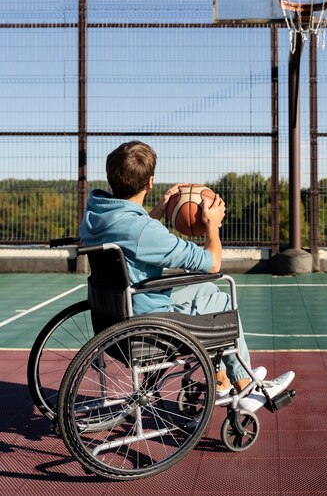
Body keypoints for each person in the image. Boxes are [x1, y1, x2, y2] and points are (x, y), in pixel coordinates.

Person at [80, 141, 294, 411]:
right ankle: (246, 388)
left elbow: (132, 231)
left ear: (111, 177)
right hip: (147, 325)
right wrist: (212, 226)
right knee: (223, 299)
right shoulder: (145, 231)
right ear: (150, 182)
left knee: (206, 292)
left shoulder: (96, 212)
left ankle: (222, 380)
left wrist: (155, 213)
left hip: (113, 315)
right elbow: (211, 263)